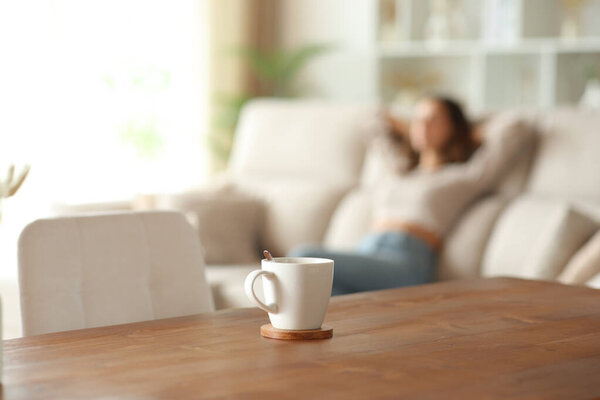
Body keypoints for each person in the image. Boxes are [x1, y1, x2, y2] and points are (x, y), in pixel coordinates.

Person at [288, 95, 533, 295]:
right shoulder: (400, 171)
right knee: (328, 296)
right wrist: (414, 128)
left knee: (301, 258)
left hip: (405, 261)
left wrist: (466, 132)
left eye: (434, 119)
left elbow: (515, 129)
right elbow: (371, 120)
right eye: (418, 118)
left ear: (454, 128)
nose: (423, 124)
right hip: (367, 250)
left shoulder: (463, 176)